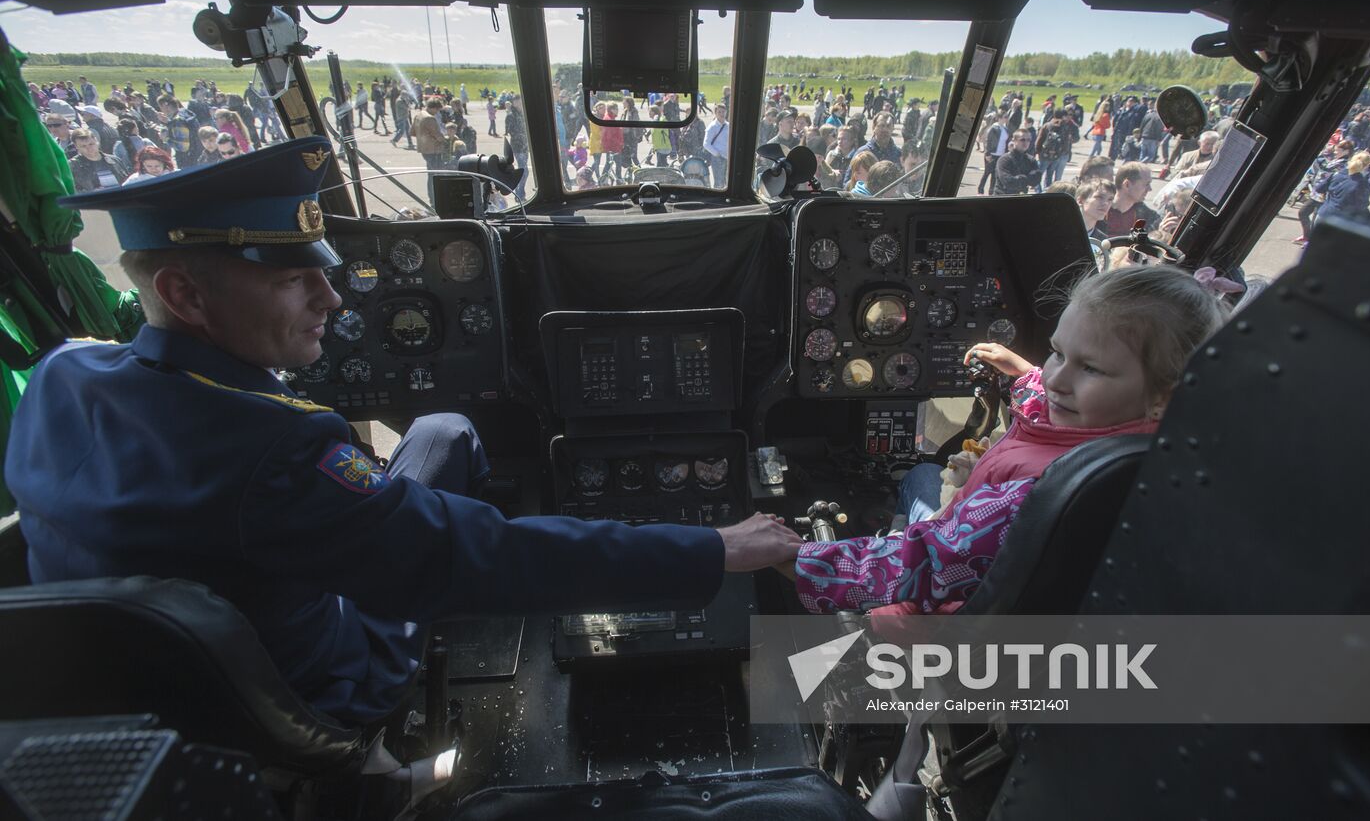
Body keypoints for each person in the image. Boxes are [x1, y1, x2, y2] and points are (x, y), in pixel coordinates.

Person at [7, 137, 803, 725]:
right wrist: (713, 548)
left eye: (324, 272)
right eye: (293, 280)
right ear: (185, 293)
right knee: (458, 549)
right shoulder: (278, 452)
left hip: (141, 686)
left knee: (444, 431)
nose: (332, 300)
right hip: (308, 696)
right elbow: (486, 555)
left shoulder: (61, 374)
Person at [791, 265, 1229, 613]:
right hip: (992, 585)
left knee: (919, 474)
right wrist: (1024, 373)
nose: (1056, 379)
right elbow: (1048, 399)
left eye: (1090, 368)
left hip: (927, 625)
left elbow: (919, 562)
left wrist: (792, 555)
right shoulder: (1159, 451)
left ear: (1164, 395)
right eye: (1058, 353)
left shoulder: (1033, 498)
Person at [1100, 161, 1159, 236]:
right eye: (1147, 184)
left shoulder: (1149, 218)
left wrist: (1159, 234)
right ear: (1127, 185)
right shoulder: (1098, 210)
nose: (1150, 189)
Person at [67, 127, 131, 192]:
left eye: (91, 144)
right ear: (76, 147)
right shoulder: (72, 167)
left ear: (96, 141)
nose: (89, 148)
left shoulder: (115, 161)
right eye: (83, 146)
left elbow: (128, 183)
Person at [993, 129, 1039, 194]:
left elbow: (1036, 179)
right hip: (1003, 196)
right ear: (1014, 140)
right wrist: (1027, 178)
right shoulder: (1004, 159)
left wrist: (1019, 179)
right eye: (1022, 140)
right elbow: (1008, 182)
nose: (1026, 142)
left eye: (1028, 140)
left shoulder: (1031, 160)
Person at [978, 113, 1010, 194]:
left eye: (1007, 117)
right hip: (992, 154)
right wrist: (987, 154)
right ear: (999, 118)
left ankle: (991, 191)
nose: (1006, 119)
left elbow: (1006, 142)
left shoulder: (1006, 129)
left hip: (1000, 155)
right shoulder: (994, 128)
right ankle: (980, 189)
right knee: (987, 172)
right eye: (1005, 117)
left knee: (995, 174)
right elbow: (988, 141)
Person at [704, 102, 730, 187]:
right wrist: (717, 154)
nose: (722, 114)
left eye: (723, 111)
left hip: (727, 158)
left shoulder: (728, 125)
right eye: (719, 112)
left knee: (726, 183)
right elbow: (706, 143)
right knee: (719, 183)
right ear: (715, 113)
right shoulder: (712, 127)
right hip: (718, 159)